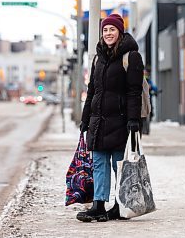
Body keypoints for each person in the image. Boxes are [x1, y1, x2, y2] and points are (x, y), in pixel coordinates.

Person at [77, 13, 144, 222]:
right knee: (99, 163)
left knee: (119, 165)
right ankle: (98, 205)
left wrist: (134, 120)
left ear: (119, 32)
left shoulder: (131, 57)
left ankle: (119, 205)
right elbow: (92, 91)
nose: (108, 33)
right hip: (99, 121)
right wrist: (85, 118)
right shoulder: (98, 57)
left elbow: (134, 92)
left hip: (121, 120)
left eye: (112, 29)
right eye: (105, 30)